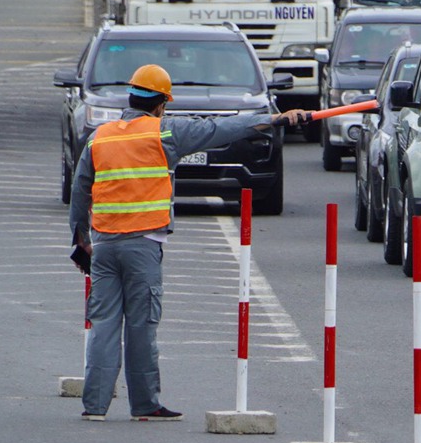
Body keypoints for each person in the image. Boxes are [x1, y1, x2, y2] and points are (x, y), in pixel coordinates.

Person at [68, 63, 313, 420]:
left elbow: (79, 190)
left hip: (104, 245)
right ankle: (145, 404)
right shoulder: (165, 133)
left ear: (131, 97)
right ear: (161, 104)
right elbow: (221, 129)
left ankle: (95, 407)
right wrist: (276, 120)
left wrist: (80, 240)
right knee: (140, 325)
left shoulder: (100, 136)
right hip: (143, 244)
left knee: (104, 324)